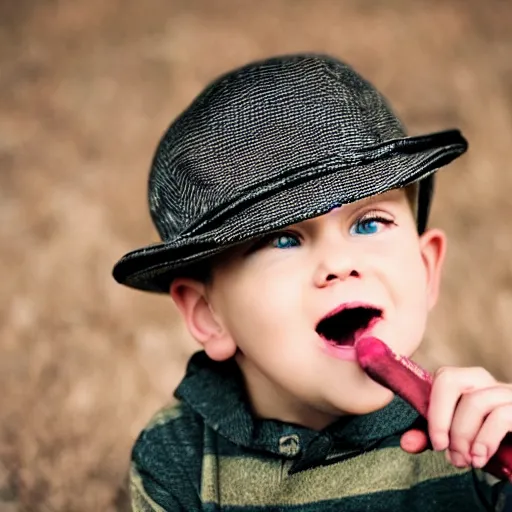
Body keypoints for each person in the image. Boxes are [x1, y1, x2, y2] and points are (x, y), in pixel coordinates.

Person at [113, 54, 512, 511]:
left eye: (368, 223)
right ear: (209, 314)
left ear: (426, 271)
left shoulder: (479, 448)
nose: (339, 265)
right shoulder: (179, 460)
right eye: (284, 238)